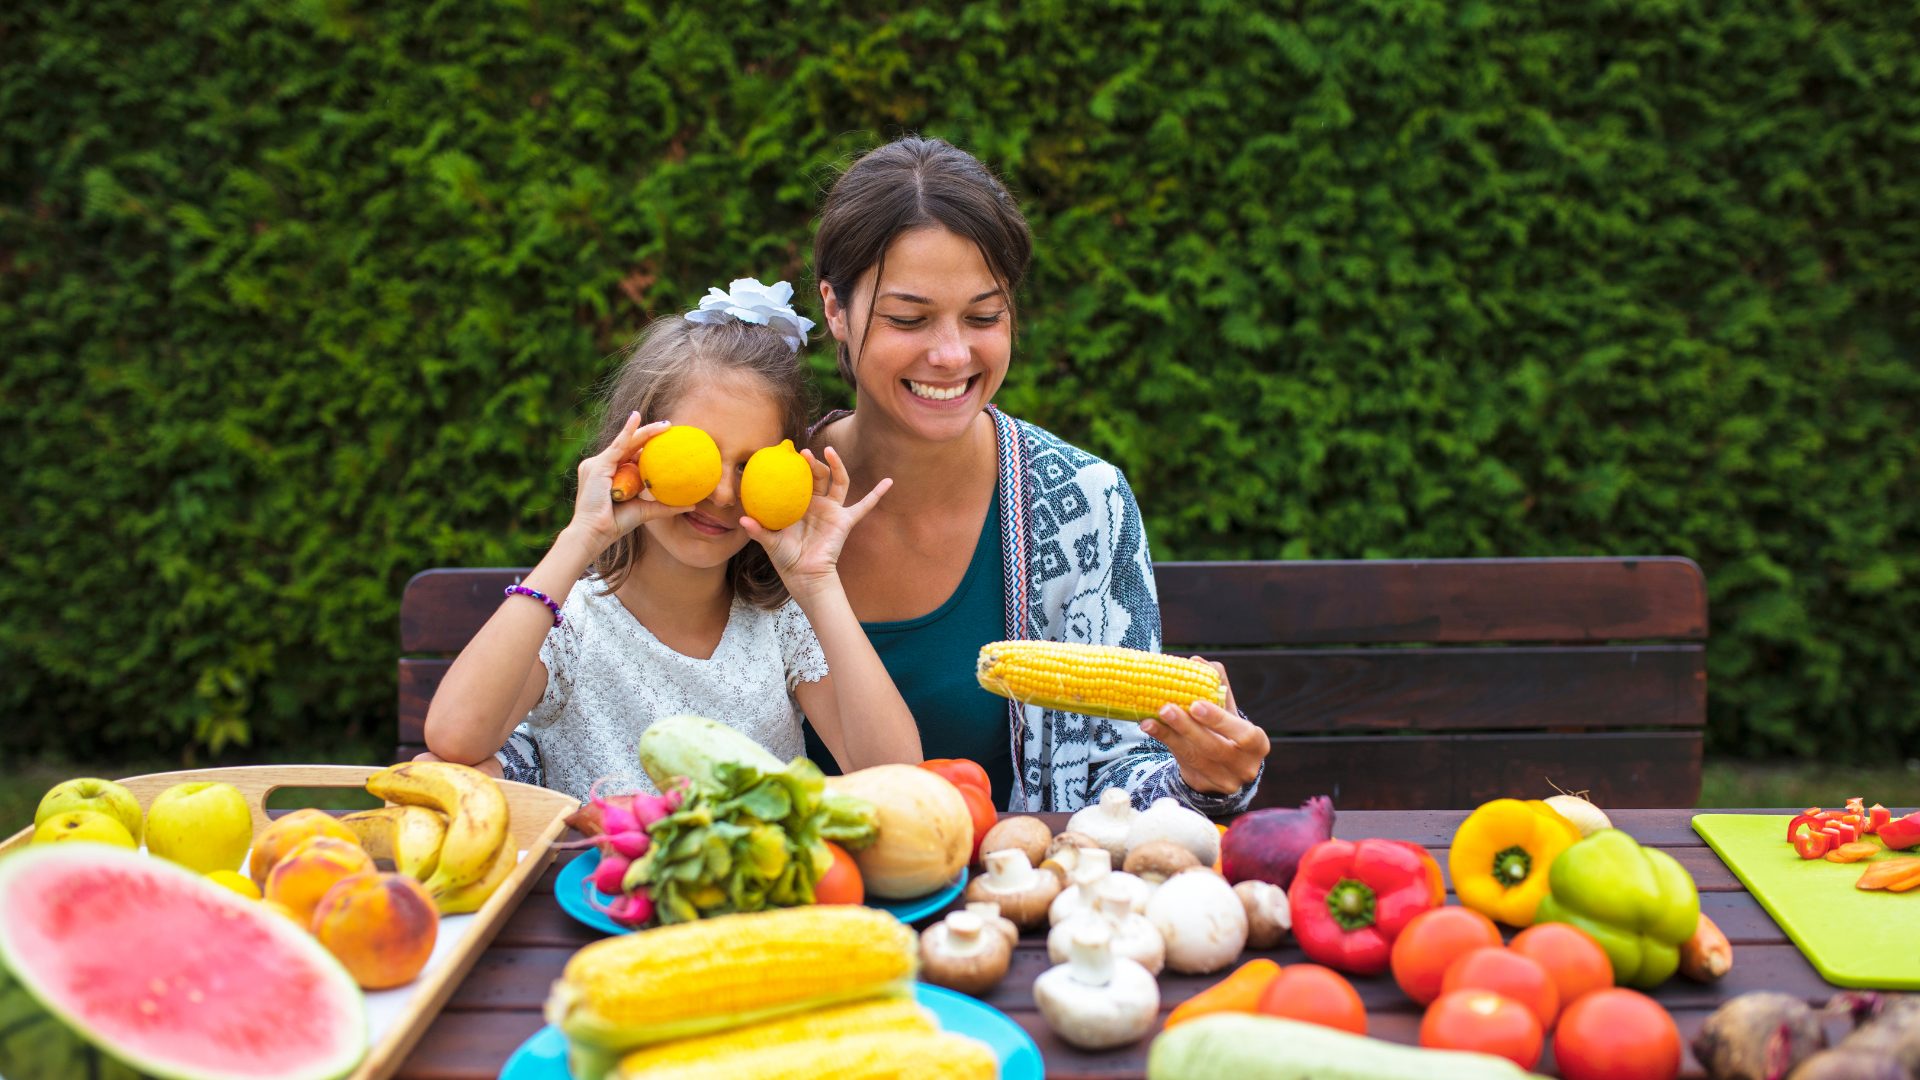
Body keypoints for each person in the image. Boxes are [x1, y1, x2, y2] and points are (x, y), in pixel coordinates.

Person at [806, 136, 1269, 813]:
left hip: (1009, 904)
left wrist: (1202, 774)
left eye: (984, 316)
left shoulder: (1085, 503)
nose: (952, 352)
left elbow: (1121, 771)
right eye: (910, 318)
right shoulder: (763, 497)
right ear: (834, 310)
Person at [418, 281, 922, 803]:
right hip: (596, 883)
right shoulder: (569, 622)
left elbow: (897, 775)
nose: (725, 493)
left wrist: (817, 583)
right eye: (697, 458)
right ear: (634, 452)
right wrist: (579, 539)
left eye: (751, 467)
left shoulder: (780, 625)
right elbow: (455, 738)